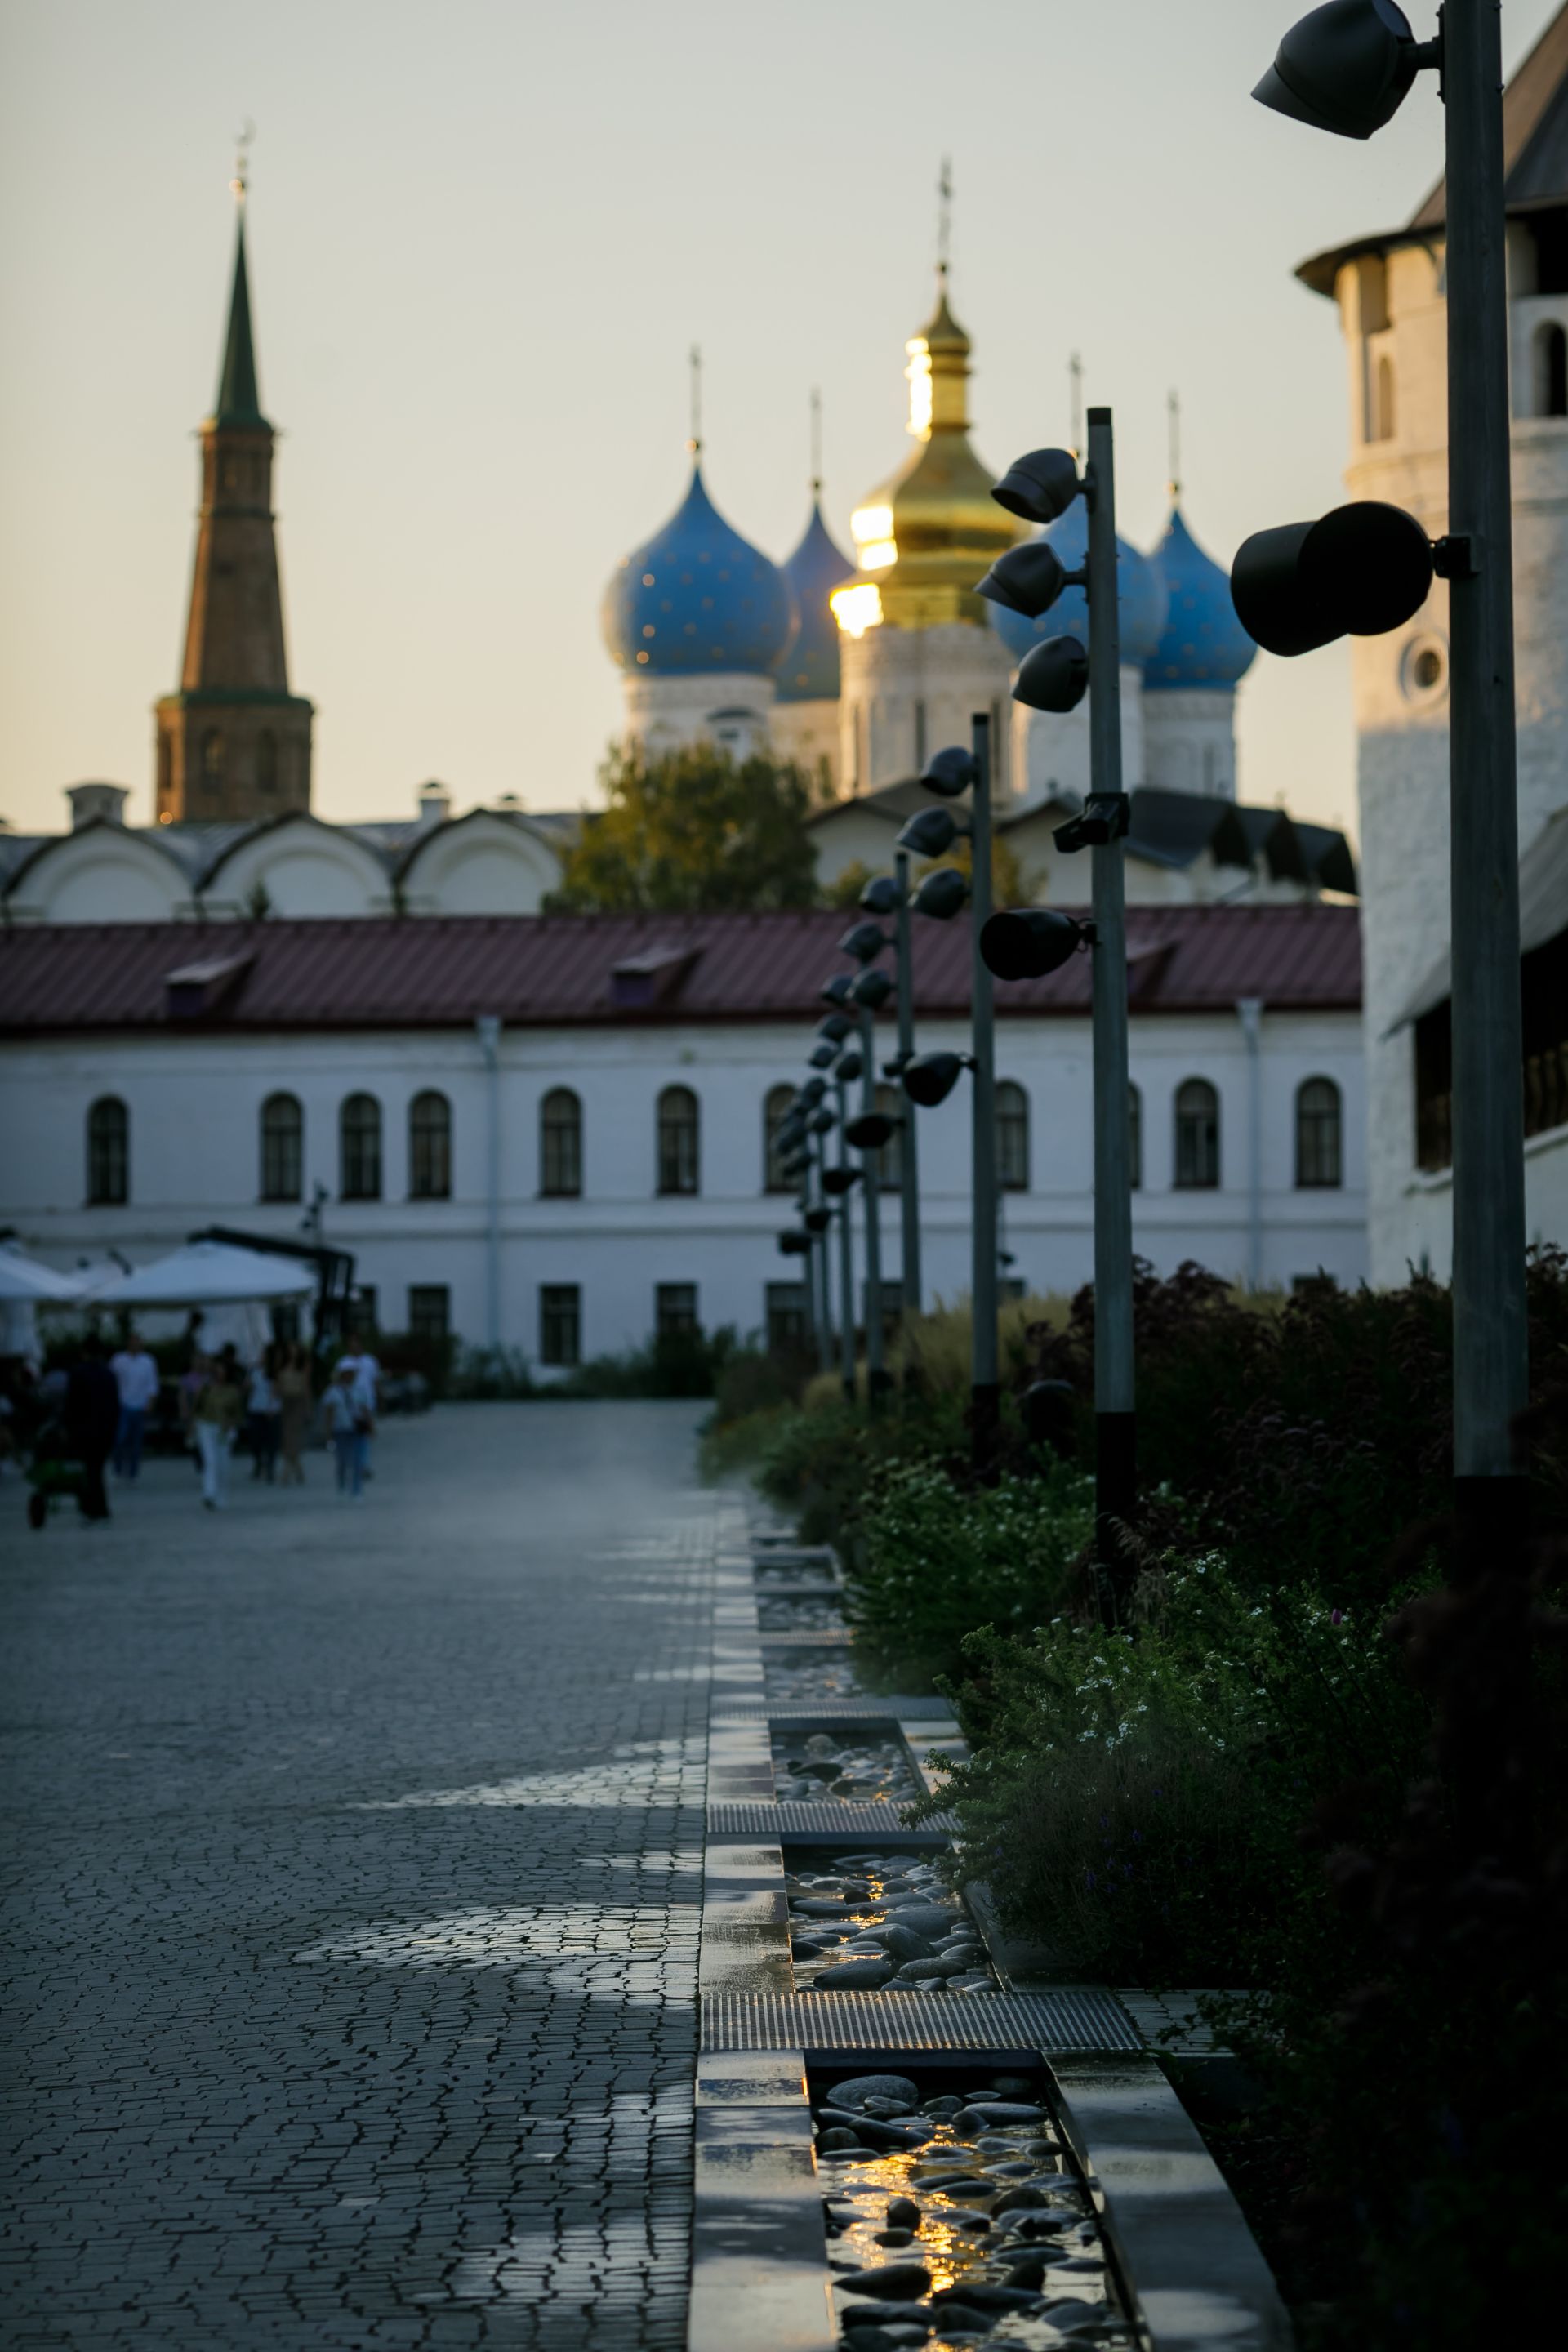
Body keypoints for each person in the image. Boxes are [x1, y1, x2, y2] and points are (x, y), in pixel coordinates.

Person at [65, 1333, 119, 1521]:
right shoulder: (108, 1374)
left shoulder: (78, 1373)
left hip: (84, 1430)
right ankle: (99, 1507)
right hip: (104, 1429)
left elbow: (71, 1405)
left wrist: (70, 1428)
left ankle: (93, 1508)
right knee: (97, 1469)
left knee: (90, 1470)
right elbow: (114, 1404)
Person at [191, 1350, 243, 1511]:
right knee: (210, 1460)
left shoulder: (232, 1391)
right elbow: (197, 1409)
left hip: (224, 1429)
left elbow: (238, 1414)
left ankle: (221, 1494)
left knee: (223, 1462)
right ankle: (209, 1493)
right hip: (206, 1425)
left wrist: (231, 1424)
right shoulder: (206, 1389)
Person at [109, 1330, 161, 1481]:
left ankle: (132, 1471)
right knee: (120, 1438)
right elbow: (111, 1381)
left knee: (136, 1441)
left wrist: (150, 1403)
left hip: (140, 1405)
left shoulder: (148, 1361)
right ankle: (118, 1467)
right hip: (122, 1405)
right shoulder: (118, 1360)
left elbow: (152, 1385)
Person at [321, 1365, 368, 1498]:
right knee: (342, 1460)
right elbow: (329, 1413)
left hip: (356, 1429)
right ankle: (342, 1484)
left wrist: (370, 1426)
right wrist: (328, 1432)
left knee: (357, 1460)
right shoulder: (332, 1392)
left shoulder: (358, 1390)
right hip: (340, 1429)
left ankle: (356, 1489)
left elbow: (364, 1409)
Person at [275, 1343, 313, 1486]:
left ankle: (287, 1470)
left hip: (298, 1401)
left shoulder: (303, 1366)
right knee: (287, 1436)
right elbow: (278, 1387)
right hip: (286, 1402)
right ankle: (297, 1469)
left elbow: (306, 1387)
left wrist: (308, 1408)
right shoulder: (282, 1367)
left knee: (294, 1436)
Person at [244, 1352, 282, 1482]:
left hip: (271, 1411)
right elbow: (247, 1388)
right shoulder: (255, 1372)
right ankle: (259, 1463)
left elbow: (276, 1392)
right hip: (256, 1410)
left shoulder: (275, 1374)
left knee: (272, 1441)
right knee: (255, 1440)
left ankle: (270, 1467)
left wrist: (271, 1408)